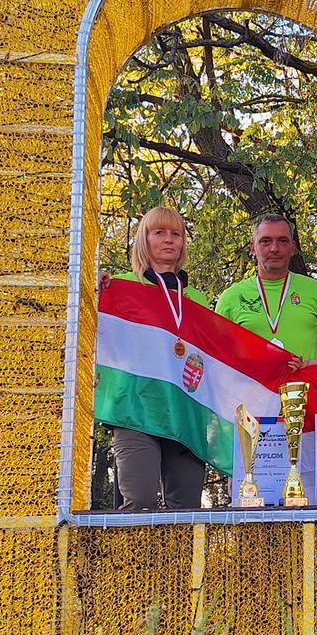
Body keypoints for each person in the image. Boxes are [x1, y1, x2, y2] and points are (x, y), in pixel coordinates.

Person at [95, 206, 210, 511]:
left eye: (177, 234)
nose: (169, 240)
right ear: (144, 240)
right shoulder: (120, 286)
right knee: (140, 502)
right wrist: (94, 290)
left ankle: (182, 561)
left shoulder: (196, 300)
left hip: (184, 414)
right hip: (135, 411)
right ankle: (133, 560)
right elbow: (92, 330)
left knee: (186, 509)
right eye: (159, 232)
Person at [215, 214, 317, 371]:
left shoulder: (316, 291)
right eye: (265, 241)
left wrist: (316, 363)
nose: (274, 248)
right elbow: (217, 359)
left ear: (293, 247)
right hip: (252, 393)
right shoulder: (230, 298)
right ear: (253, 247)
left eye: (283, 241)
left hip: (306, 392)